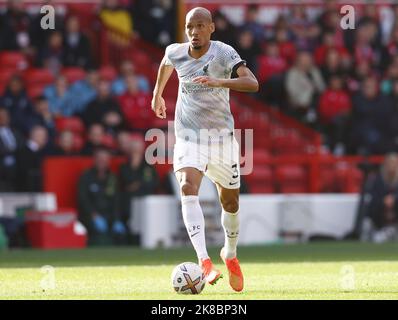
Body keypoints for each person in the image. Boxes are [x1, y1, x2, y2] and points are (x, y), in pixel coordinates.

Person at [151, 7, 258, 292]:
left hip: (222, 140)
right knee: (187, 186)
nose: (194, 32)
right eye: (190, 27)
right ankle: (204, 261)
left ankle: (230, 254)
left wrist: (219, 81)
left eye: (200, 26)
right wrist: (157, 93)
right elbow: (165, 63)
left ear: (211, 27)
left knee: (231, 203)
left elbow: (252, 83)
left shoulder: (224, 53)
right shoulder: (176, 51)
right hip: (189, 137)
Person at [77, 146, 125, 246]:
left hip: (109, 215)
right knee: (98, 235)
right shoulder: (86, 177)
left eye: (105, 159)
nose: (102, 161)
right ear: (95, 160)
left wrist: (117, 219)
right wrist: (93, 215)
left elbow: (116, 200)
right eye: (99, 158)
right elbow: (83, 199)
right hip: (91, 216)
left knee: (121, 234)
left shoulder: (112, 178)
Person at [118, 134, 159, 242]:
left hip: (145, 203)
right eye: (133, 149)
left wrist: (137, 185)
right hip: (128, 203)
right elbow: (125, 182)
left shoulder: (148, 167)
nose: (135, 151)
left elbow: (152, 183)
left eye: (137, 149)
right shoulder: (124, 167)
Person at [361, 153, 398, 242]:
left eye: (394, 163)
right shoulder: (377, 180)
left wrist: (394, 199)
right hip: (380, 219)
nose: (391, 166)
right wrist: (383, 200)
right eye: (389, 163)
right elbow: (373, 198)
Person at [16, 125, 49, 192]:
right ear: (34, 136)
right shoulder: (23, 152)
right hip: (25, 191)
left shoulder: (41, 151)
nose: (46, 139)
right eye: (43, 136)